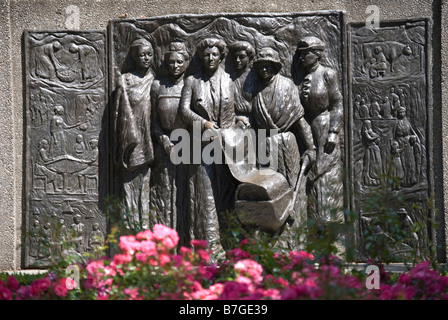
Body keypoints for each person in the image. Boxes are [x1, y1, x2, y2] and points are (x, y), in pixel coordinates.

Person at [179, 37, 236, 256]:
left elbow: (232, 111)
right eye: (206, 55)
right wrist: (204, 123)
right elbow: (184, 111)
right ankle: (209, 247)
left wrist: (239, 122)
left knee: (225, 195)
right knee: (206, 196)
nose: (210, 58)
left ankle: (229, 245)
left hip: (227, 147)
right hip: (201, 145)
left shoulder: (229, 81)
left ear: (221, 57)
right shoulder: (192, 81)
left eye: (214, 54)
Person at [251, 47, 316, 237]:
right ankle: (270, 236)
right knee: (268, 191)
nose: (264, 70)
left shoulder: (286, 86)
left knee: (290, 187)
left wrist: (311, 147)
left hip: (286, 143)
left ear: (275, 66)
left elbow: (300, 120)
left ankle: (294, 238)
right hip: (264, 146)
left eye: (268, 66)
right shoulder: (257, 91)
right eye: (261, 66)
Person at [295, 36, 344, 251]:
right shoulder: (302, 77)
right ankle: (315, 240)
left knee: (327, 180)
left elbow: (338, 104)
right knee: (312, 183)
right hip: (307, 132)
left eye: (306, 52)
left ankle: (334, 243)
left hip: (325, 132)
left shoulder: (327, 74)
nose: (302, 57)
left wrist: (333, 132)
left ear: (317, 54)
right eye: (300, 53)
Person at [149, 42, 189, 243]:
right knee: (163, 194)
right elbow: (152, 119)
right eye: (171, 62)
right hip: (163, 145)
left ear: (186, 63)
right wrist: (163, 139)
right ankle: (163, 243)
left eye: (179, 62)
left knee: (184, 194)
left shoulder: (191, 84)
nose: (175, 66)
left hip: (188, 146)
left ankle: (184, 241)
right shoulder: (158, 85)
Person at [113, 38, 155, 229]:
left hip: (149, 138)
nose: (146, 58)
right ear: (134, 57)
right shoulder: (126, 79)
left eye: (149, 54)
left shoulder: (154, 80)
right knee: (129, 183)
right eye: (141, 55)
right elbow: (118, 113)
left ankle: (144, 225)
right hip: (130, 136)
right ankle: (129, 224)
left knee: (144, 184)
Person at [228, 41, 256, 127]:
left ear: (249, 58)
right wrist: (237, 117)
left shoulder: (255, 78)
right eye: (235, 57)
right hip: (235, 120)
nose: (237, 60)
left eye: (242, 57)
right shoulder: (229, 79)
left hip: (256, 121)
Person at [361, 120, 382, 186]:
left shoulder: (370, 131)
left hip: (375, 149)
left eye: (370, 124)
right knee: (371, 164)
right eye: (368, 124)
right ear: (365, 125)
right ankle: (370, 179)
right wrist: (376, 137)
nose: (370, 125)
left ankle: (378, 179)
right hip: (371, 149)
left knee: (377, 163)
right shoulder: (365, 132)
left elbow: (375, 136)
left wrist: (377, 137)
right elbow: (369, 139)